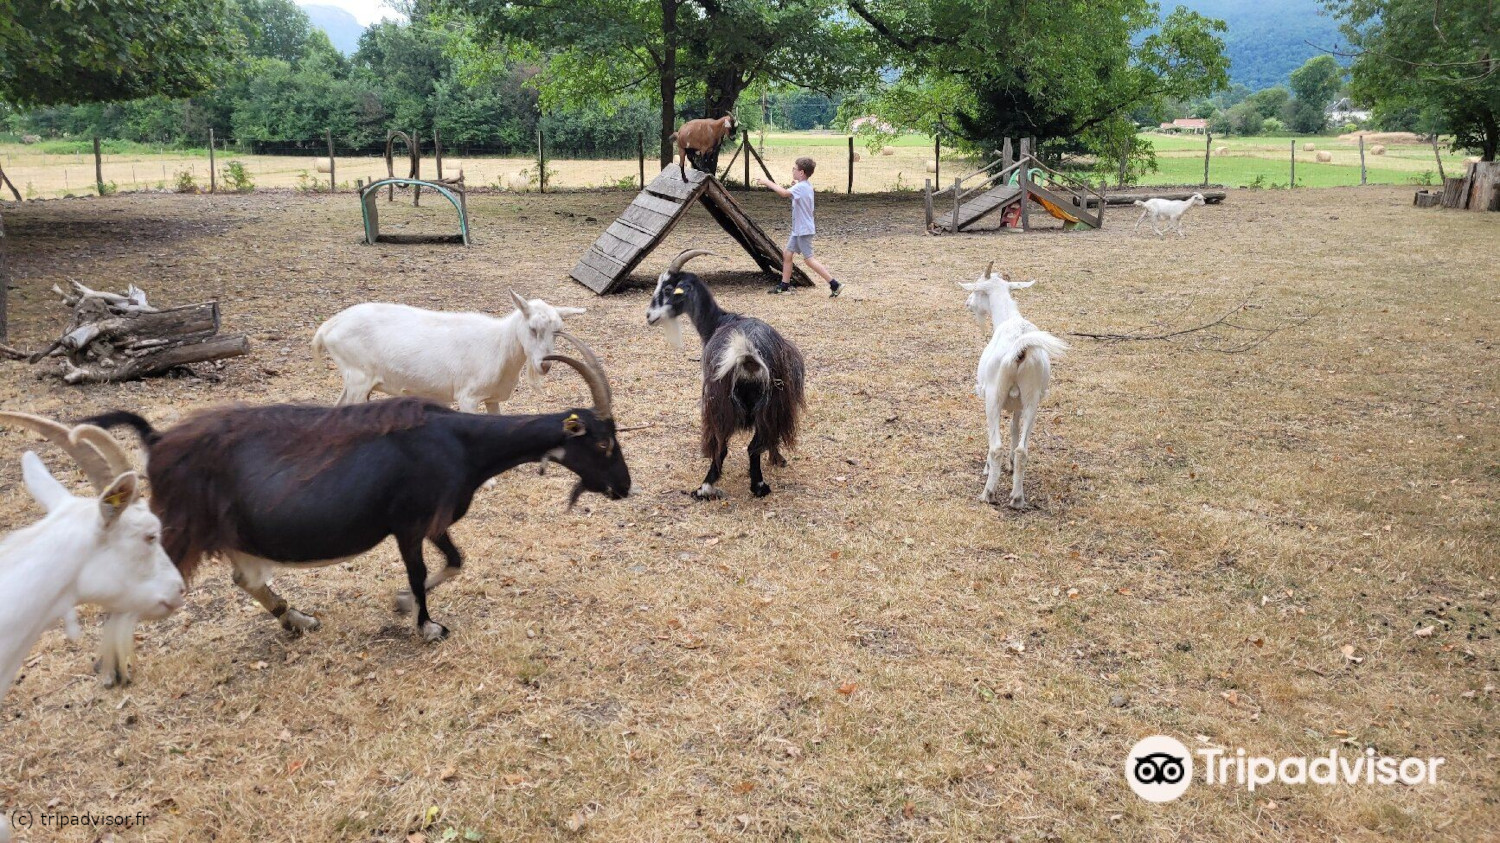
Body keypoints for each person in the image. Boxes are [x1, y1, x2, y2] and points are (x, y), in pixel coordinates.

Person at [757, 157, 841, 297]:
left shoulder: (801, 187)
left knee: (809, 259)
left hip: (803, 230)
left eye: (794, 168)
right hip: (798, 229)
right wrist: (795, 184)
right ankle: (784, 286)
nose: (792, 170)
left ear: (801, 172)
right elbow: (795, 192)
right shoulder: (804, 185)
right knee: (787, 254)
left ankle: (835, 284)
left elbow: (784, 193)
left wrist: (767, 182)